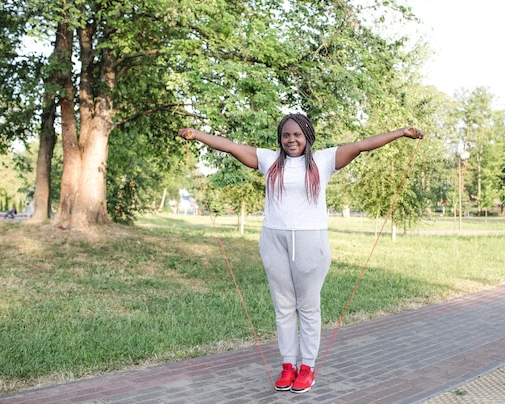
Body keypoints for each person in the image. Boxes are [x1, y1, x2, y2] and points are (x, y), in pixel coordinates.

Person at [178, 114, 423, 394]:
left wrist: (401, 132)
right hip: (273, 238)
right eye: (285, 135)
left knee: (307, 307)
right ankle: (287, 366)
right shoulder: (269, 160)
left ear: (307, 135)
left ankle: (307, 367)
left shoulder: (324, 160)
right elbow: (231, 146)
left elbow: (362, 145)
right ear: (280, 139)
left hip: (310, 240)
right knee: (282, 307)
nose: (291, 140)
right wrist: (196, 134)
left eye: (296, 135)